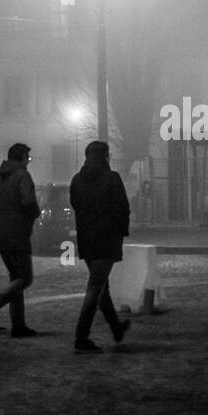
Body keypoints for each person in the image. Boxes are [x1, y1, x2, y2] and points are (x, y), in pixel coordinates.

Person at [70, 139, 131, 353]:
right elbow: (123, 208)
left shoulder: (77, 180)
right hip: (107, 240)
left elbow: (76, 205)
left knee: (101, 287)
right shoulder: (111, 179)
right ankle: (81, 336)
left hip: (87, 240)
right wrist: (120, 233)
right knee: (96, 287)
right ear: (105, 156)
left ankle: (116, 328)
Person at [0, 143, 41, 338]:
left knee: (16, 278)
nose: (28, 161)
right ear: (22, 157)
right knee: (25, 278)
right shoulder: (23, 176)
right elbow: (28, 201)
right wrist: (33, 214)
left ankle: (18, 325)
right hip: (17, 233)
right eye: (28, 158)